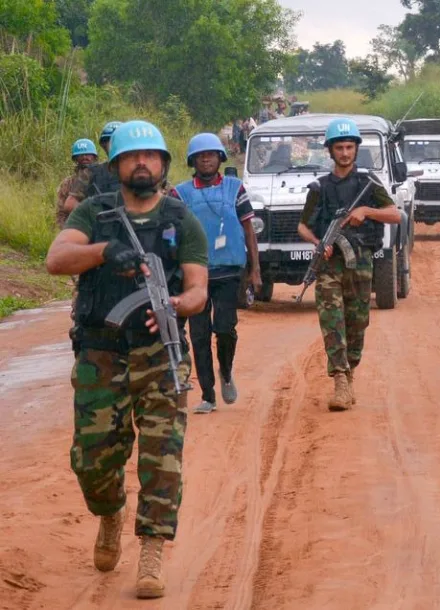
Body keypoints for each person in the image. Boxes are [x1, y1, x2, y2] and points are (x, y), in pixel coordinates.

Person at [45, 120, 209, 599]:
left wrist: (178, 306)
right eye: (133, 157)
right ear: (116, 166)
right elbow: (57, 259)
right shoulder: (95, 212)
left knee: (163, 458)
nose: (143, 163)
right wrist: (102, 252)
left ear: (162, 165)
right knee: (91, 461)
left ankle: (152, 548)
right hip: (101, 352)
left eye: (151, 156)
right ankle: (110, 511)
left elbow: (198, 288)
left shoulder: (181, 219)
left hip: (160, 355)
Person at [297, 118, 401, 411]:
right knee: (332, 320)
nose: (344, 153)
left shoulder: (368, 184)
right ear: (330, 151)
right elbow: (302, 227)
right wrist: (319, 243)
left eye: (349, 147)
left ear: (356, 150)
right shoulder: (319, 188)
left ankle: (350, 368)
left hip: (361, 262)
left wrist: (366, 211)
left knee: (357, 323)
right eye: (339, 148)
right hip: (331, 265)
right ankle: (340, 378)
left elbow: (395, 215)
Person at [173, 133, 262, 414]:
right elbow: (170, 235)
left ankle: (225, 371)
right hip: (193, 275)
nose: (207, 159)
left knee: (225, 329)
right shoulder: (180, 194)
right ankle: (208, 395)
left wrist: (255, 270)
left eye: (212, 154)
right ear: (193, 161)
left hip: (228, 272)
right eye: (201, 156)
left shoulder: (235, 189)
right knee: (198, 335)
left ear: (220, 158)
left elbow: (249, 231)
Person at [56, 139, 98, 228]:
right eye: (81, 155)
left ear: (94, 157)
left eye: (88, 154)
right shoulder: (68, 183)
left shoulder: (103, 177)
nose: (84, 157)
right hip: (77, 226)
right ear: (75, 159)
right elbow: (61, 212)